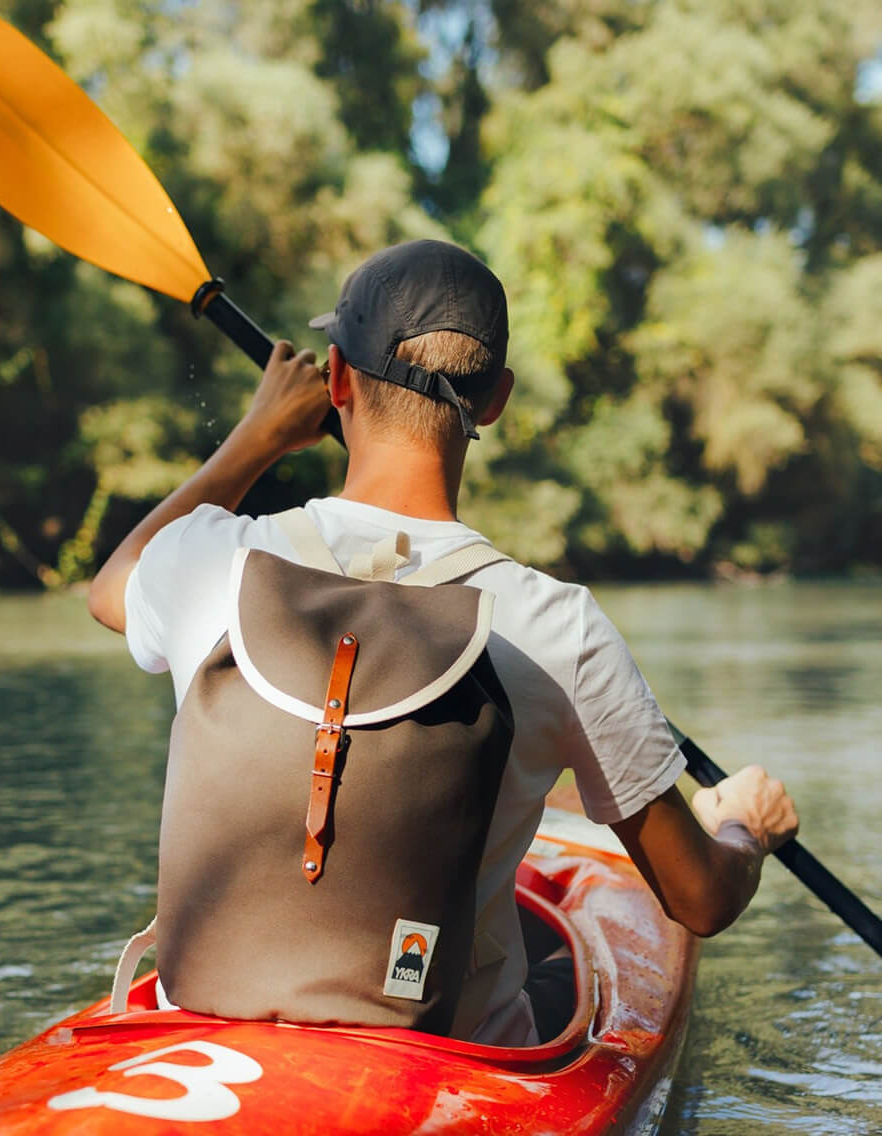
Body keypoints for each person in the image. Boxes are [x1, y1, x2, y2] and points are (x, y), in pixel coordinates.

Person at [88, 238, 799, 1046]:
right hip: (450, 1059)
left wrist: (257, 437)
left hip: (201, 1035)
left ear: (337, 379)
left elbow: (112, 589)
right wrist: (744, 829)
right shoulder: (557, 625)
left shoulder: (209, 559)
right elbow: (700, 898)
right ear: (495, 401)